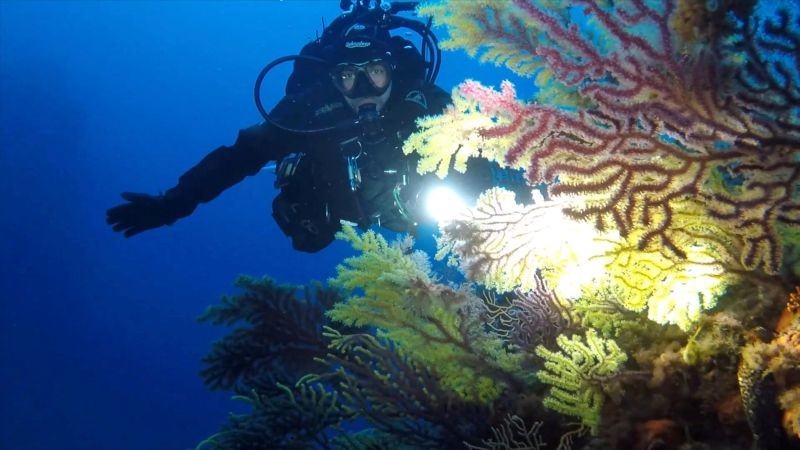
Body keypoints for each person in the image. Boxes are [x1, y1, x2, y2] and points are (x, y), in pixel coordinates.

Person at [106, 1, 522, 252]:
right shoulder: (310, 110)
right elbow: (241, 157)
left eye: (374, 72)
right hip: (343, 201)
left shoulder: (422, 101)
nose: (362, 89)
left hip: (412, 205)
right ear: (331, 80)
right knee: (308, 239)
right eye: (347, 77)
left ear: (392, 72)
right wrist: (175, 203)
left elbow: (485, 144)